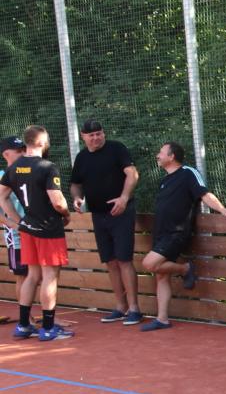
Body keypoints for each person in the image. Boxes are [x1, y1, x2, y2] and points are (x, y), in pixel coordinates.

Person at [138, 142, 226, 331]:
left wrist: (221, 208)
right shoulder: (165, 180)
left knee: (149, 264)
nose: (158, 155)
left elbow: (204, 194)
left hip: (177, 233)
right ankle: (162, 319)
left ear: (172, 156)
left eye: (161, 152)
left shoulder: (188, 173)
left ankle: (185, 268)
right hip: (160, 233)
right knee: (161, 275)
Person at [0, 125, 75, 341]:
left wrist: (18, 220)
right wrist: (66, 214)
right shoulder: (47, 167)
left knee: (32, 275)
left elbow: (2, 197)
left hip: (28, 229)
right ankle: (49, 328)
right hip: (48, 227)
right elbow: (57, 201)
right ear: (42, 142)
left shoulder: (14, 168)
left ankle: (24, 325)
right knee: (50, 276)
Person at [70, 119, 142, 325]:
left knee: (124, 259)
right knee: (110, 261)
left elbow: (132, 174)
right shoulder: (81, 157)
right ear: (83, 137)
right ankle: (120, 307)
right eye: (91, 135)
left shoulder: (117, 148)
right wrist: (77, 197)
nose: (96, 138)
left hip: (121, 213)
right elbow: (75, 184)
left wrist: (124, 198)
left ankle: (134, 309)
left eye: (99, 133)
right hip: (98, 215)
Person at [1, 135, 39, 310]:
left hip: (34, 231)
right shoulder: (2, 176)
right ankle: (26, 319)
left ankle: (45, 317)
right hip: (17, 237)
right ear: (6, 154)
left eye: (24, 150)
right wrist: (18, 226)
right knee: (23, 276)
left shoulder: (26, 172)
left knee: (39, 275)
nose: (23, 153)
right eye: (18, 151)